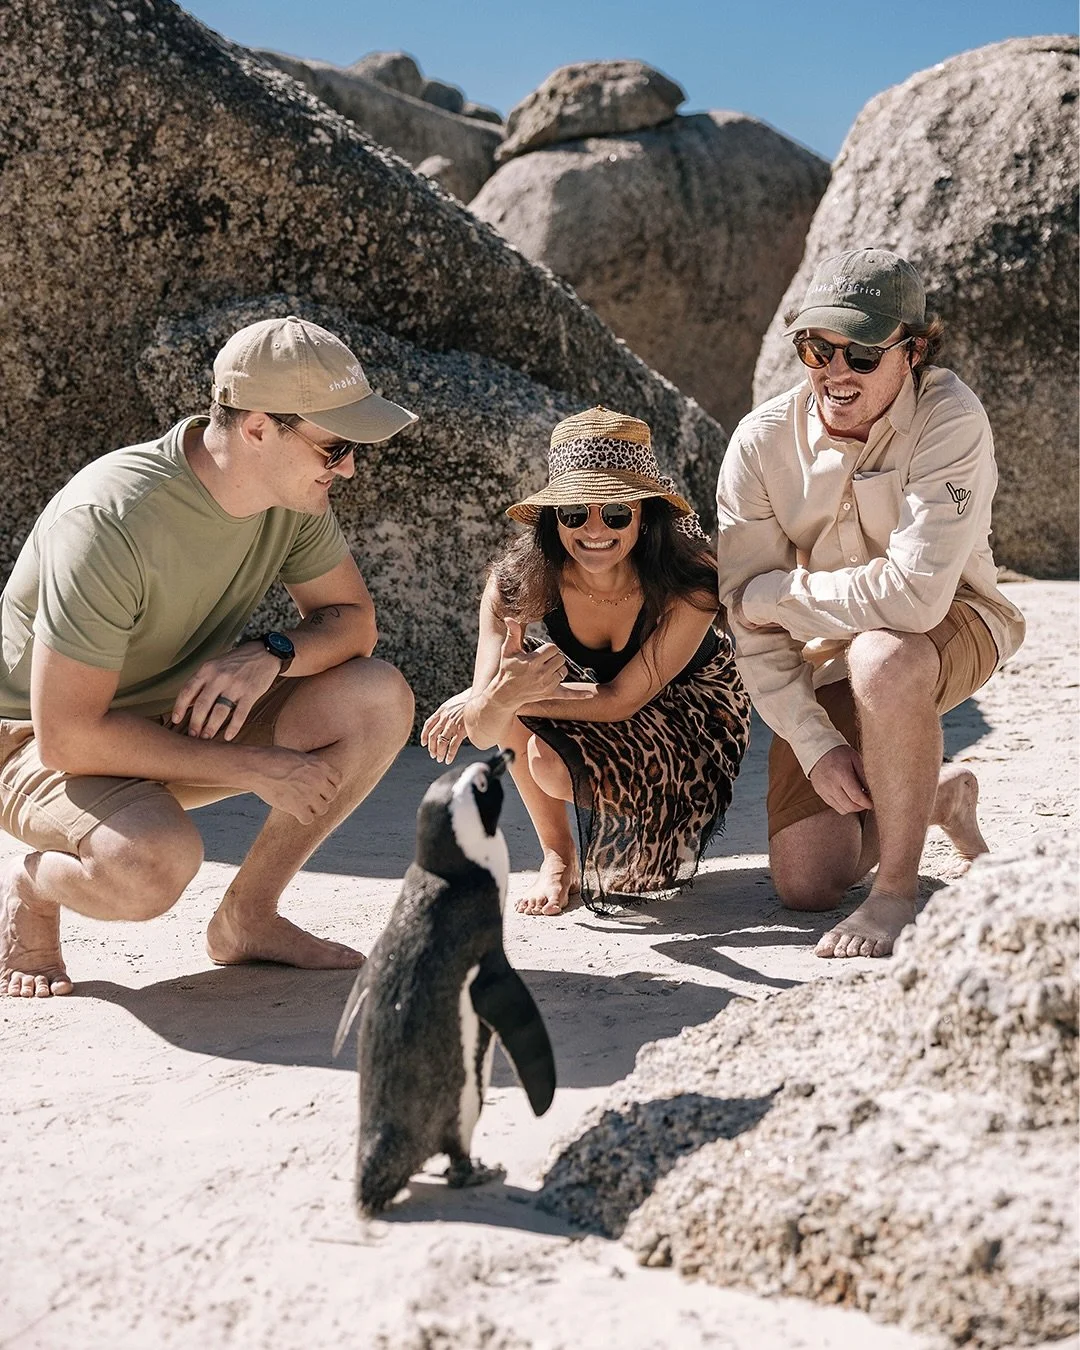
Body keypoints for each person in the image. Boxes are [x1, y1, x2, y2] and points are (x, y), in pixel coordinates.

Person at [0, 315, 418, 998]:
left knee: (376, 695)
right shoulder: (109, 520)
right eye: (334, 446)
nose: (348, 465)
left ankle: (248, 917)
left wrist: (272, 652)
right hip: (33, 745)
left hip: (179, 719)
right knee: (151, 865)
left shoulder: (291, 498)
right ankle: (32, 884)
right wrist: (252, 765)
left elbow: (353, 625)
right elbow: (67, 736)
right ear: (257, 428)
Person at [716, 248, 1026, 959]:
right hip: (830, 650)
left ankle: (895, 891)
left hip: (959, 618)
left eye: (860, 351)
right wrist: (815, 742)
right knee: (807, 881)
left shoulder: (951, 417)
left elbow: (915, 600)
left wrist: (779, 595)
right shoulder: (761, 443)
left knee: (885, 655)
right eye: (816, 346)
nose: (835, 369)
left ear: (912, 351)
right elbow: (750, 629)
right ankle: (937, 797)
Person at [422, 406, 751, 916]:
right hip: (592, 695)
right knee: (527, 713)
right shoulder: (513, 585)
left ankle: (655, 819)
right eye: (575, 512)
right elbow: (487, 733)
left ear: (644, 517)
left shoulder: (689, 581)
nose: (595, 528)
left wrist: (498, 697)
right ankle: (558, 856)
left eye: (616, 512)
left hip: (691, 715)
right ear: (555, 518)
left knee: (533, 721)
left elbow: (622, 700)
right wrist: (497, 696)